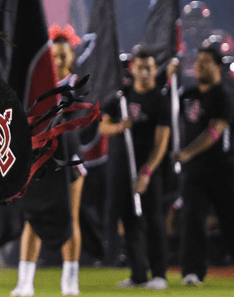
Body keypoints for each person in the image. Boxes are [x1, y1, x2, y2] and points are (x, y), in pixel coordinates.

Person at [171, 45, 234, 286]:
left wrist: (187, 153)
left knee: (231, 220)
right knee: (192, 221)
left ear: (218, 67)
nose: (199, 65)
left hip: (221, 168)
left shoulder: (224, 97)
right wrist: (170, 77)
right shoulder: (188, 95)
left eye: (206, 61)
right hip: (194, 171)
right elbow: (170, 109)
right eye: (198, 60)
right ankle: (192, 272)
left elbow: (214, 132)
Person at [11, 25, 85, 297]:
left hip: (67, 159)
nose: (59, 60)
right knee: (33, 217)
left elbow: (78, 123)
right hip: (39, 159)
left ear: (72, 56)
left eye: (64, 55)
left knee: (69, 217)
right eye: (54, 56)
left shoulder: (77, 85)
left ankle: (70, 281)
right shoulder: (38, 85)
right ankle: (25, 282)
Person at [98, 47, 170, 290]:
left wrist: (147, 172)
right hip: (122, 170)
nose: (144, 72)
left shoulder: (160, 101)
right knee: (128, 222)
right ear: (132, 69)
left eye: (149, 67)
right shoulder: (122, 97)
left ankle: (159, 274)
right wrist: (120, 127)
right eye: (140, 67)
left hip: (148, 171)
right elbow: (102, 126)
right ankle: (138, 274)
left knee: (153, 221)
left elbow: (162, 142)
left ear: (155, 70)